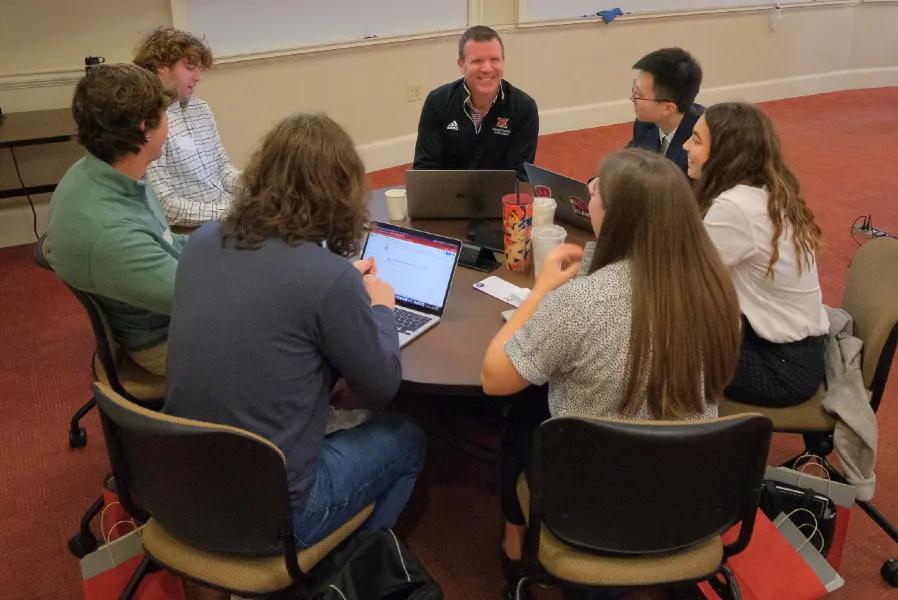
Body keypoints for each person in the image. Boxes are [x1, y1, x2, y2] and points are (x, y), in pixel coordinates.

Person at [481, 149, 741, 600]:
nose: (590, 191)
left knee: (522, 402)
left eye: (597, 187)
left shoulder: (581, 303)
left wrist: (540, 290)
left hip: (591, 509)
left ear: (617, 215)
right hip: (691, 500)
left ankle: (514, 541)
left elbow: (493, 377)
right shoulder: (716, 291)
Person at [163, 113, 426, 547]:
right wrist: (379, 306)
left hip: (183, 484)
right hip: (278, 515)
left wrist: (340, 284)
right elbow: (382, 386)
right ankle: (353, 571)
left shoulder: (201, 243)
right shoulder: (327, 279)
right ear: (342, 192)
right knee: (408, 436)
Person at [684, 102, 829, 408]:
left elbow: (682, 278)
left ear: (724, 153)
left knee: (654, 346)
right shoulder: (762, 190)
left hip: (780, 369)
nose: (685, 145)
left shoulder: (735, 206)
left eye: (696, 140)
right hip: (795, 350)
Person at [45, 64, 182, 376]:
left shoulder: (98, 170)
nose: (168, 125)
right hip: (167, 342)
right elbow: (204, 299)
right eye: (164, 116)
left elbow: (167, 241)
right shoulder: (111, 230)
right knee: (296, 330)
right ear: (145, 128)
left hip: (173, 307)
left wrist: (231, 240)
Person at [134, 26, 241, 228]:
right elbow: (166, 206)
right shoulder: (148, 121)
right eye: (190, 68)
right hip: (190, 231)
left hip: (224, 218)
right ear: (161, 66)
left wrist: (260, 188)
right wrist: (233, 211)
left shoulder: (201, 109)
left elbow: (222, 169)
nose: (198, 76)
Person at [413, 26, 539, 181]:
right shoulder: (437, 102)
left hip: (500, 201)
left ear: (503, 62)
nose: (487, 68)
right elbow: (425, 170)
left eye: (494, 59)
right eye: (477, 61)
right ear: (461, 65)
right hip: (448, 197)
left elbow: (519, 177)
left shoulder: (524, 108)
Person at [627, 47, 704, 176]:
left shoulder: (701, 142)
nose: (632, 98)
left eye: (638, 94)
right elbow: (629, 159)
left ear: (668, 108)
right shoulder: (645, 124)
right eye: (634, 89)